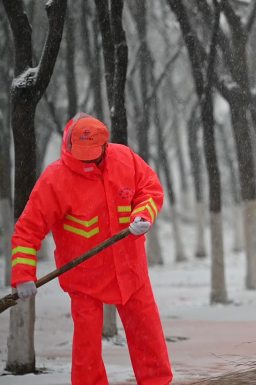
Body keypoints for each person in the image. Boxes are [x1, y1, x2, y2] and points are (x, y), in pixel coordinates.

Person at [10, 113, 173, 385]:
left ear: (106, 147)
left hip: (130, 269)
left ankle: (158, 382)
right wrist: (23, 275)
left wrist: (142, 215)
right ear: (70, 145)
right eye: (81, 154)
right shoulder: (55, 179)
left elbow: (150, 189)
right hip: (84, 278)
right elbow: (28, 230)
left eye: (94, 155)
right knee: (87, 348)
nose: (88, 161)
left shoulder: (125, 159)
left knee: (147, 334)